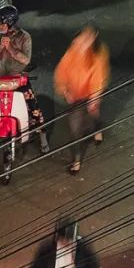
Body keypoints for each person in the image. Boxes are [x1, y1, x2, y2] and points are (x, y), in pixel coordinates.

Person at [54, 27, 110, 173]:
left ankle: (97, 130)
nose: (81, 43)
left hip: (91, 95)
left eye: (87, 39)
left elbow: (98, 80)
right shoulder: (70, 55)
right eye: (81, 39)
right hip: (75, 99)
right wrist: (65, 91)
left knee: (92, 117)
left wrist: (94, 98)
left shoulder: (97, 56)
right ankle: (76, 160)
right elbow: (60, 75)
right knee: (75, 130)